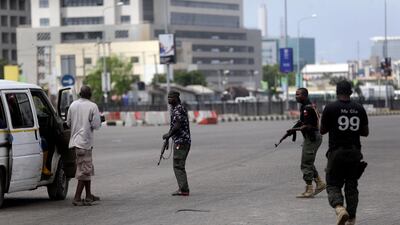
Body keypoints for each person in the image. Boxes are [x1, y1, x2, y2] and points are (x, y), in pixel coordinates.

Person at [320, 80, 369, 225]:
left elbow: (322, 131)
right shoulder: (359, 108)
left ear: (336, 92)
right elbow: (365, 132)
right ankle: (352, 218)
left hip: (336, 153)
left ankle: (340, 208)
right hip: (354, 153)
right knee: (352, 185)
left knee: (333, 184)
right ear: (351, 92)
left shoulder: (330, 108)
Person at [287, 88, 326, 198]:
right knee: (308, 161)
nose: (296, 96)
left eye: (298, 94)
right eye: (295, 94)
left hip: (312, 138)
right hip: (311, 137)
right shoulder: (306, 106)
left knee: (305, 163)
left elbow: (309, 126)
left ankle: (309, 189)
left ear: (304, 95)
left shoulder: (307, 108)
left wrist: (294, 130)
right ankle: (320, 183)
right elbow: (302, 122)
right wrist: (294, 128)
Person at [67, 85, 102, 206]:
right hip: (85, 142)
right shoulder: (93, 106)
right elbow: (96, 125)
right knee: (84, 171)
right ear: (90, 95)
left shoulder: (72, 105)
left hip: (76, 142)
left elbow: (68, 123)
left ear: (80, 94)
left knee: (86, 169)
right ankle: (77, 198)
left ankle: (88, 196)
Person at [162, 91, 191, 196]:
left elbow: (177, 125)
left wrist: (168, 135)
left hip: (182, 141)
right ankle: (183, 188)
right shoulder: (176, 109)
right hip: (181, 141)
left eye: (171, 97)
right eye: (168, 97)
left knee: (178, 165)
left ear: (177, 98)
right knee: (179, 165)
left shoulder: (178, 109)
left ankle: (183, 190)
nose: (169, 99)